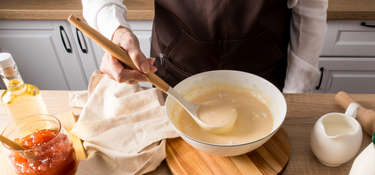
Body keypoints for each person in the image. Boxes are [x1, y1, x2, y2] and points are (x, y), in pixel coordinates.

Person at [82, 0, 327, 93]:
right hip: (176, 74)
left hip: (263, 75)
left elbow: (311, 8)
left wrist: (295, 93)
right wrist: (116, 29)